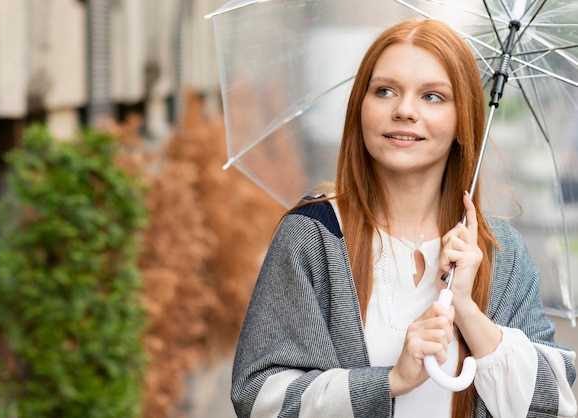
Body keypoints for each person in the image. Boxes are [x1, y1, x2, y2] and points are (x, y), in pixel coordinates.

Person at [230, 18, 577, 418]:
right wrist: (389, 382)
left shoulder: (499, 252)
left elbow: (553, 403)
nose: (405, 111)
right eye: (385, 91)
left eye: (432, 96)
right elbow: (256, 396)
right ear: (360, 107)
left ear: (462, 121)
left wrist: (467, 308)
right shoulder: (315, 237)